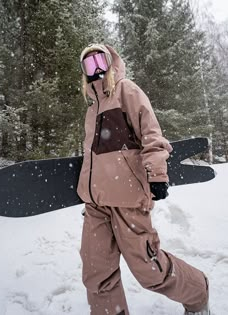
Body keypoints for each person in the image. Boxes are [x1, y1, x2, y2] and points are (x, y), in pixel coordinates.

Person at [77, 43, 210, 315]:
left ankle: (198, 291)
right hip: (96, 204)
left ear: (112, 62)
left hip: (127, 198)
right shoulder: (92, 110)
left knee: (149, 270)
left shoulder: (127, 91)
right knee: (96, 271)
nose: (97, 70)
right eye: (89, 65)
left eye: (101, 62)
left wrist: (157, 174)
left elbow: (152, 134)